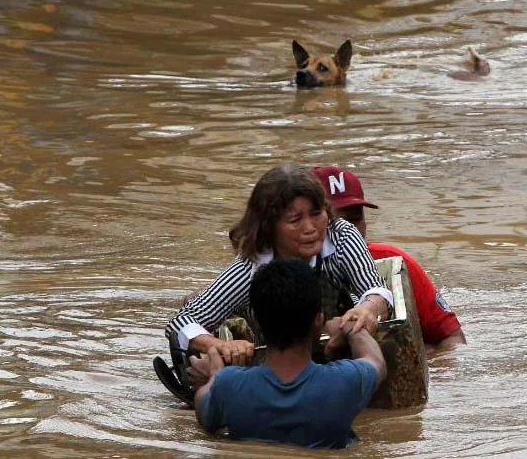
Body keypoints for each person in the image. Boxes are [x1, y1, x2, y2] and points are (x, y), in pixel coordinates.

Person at [160, 164, 393, 402]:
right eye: (295, 220)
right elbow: (181, 323)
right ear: (269, 227)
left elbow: (377, 290)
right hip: (280, 359)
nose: (310, 228)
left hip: (337, 340)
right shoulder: (250, 267)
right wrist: (217, 345)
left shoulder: (341, 236)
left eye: (316, 214)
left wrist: (367, 309)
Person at [190, 258, 386, 448]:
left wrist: (212, 376)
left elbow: (204, 414)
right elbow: (376, 363)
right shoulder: (345, 381)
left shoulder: (227, 386)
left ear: (257, 321)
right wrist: (351, 326)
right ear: (318, 321)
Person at [312, 166, 467, 349]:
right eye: (334, 221)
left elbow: (453, 338)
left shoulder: (396, 262)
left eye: (355, 219)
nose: (347, 230)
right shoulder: (278, 267)